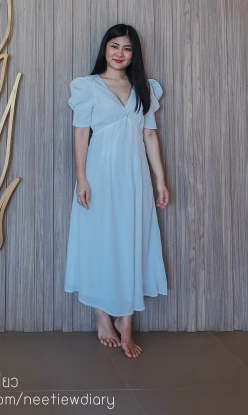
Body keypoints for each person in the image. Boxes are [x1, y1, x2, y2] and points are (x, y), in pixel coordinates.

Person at [64, 24, 169, 359]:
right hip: (99, 175)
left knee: (133, 238)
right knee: (100, 240)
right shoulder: (88, 87)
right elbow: (81, 134)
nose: (119, 53)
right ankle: (101, 316)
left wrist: (160, 180)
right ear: (105, 49)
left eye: (127, 48)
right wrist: (81, 177)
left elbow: (149, 136)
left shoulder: (143, 88)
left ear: (134, 54)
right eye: (114, 46)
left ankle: (126, 319)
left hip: (134, 177)